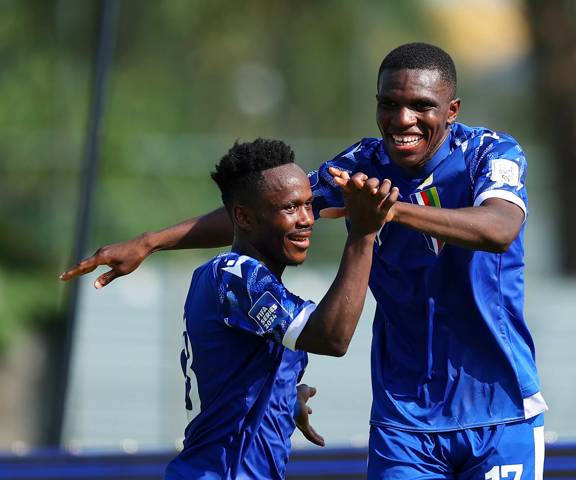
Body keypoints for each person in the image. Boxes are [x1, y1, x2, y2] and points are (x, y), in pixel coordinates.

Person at [62, 43, 547, 479]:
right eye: (389, 103)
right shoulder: (361, 166)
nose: (402, 119)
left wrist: (386, 211)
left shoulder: (489, 153)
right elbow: (264, 208)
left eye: (421, 106)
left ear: (452, 110)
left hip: (501, 408)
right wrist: (151, 241)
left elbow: (500, 229)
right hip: (406, 417)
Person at [154, 138, 397, 478]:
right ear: (244, 217)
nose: (307, 219)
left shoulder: (245, 285)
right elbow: (331, 337)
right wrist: (363, 233)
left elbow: (232, 377)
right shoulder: (235, 276)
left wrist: (281, 399)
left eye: (310, 205)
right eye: (289, 208)